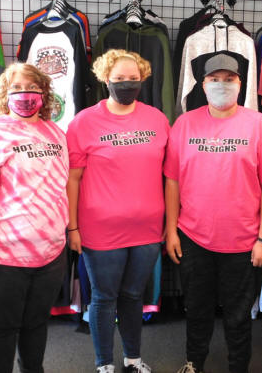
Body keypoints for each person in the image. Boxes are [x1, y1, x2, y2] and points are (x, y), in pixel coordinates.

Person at [165, 52, 262, 373]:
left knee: (238, 315)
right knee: (197, 310)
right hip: (194, 238)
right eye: (214, 79)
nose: (221, 84)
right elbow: (172, 180)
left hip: (245, 242)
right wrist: (171, 230)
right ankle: (194, 364)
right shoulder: (184, 124)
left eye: (229, 78)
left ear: (240, 83)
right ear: (202, 84)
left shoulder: (260, 125)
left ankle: (238, 367)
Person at [0, 62, 69, 373]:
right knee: (3, 329)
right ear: (4, 93)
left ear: (43, 93)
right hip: (4, 256)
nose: (24, 93)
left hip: (50, 254)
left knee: (36, 324)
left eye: (32, 87)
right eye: (16, 88)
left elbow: (61, 186)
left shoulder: (55, 133)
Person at [66, 49, 169, 373]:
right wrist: (72, 227)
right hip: (101, 229)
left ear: (143, 79)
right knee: (104, 297)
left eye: (133, 78)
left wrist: (169, 223)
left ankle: (132, 359)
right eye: (119, 78)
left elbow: (169, 175)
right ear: (105, 79)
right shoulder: (84, 122)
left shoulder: (157, 119)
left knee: (133, 296)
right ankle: (104, 364)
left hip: (147, 229)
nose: (127, 84)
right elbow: (73, 179)